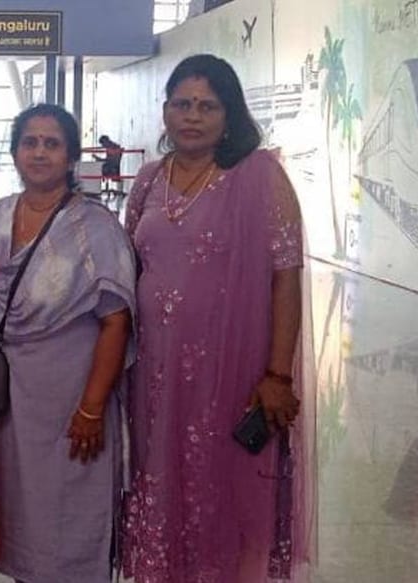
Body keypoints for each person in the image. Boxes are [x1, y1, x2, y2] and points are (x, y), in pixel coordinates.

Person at [121, 54, 313, 582]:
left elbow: (285, 278)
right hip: (154, 376)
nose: (193, 116)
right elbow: (128, 265)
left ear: (230, 114)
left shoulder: (260, 177)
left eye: (207, 106)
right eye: (182, 104)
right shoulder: (149, 181)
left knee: (220, 482)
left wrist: (277, 375)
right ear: (165, 111)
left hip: (231, 373)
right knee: (159, 473)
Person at [0, 104, 136, 582]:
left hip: (73, 403)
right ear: (15, 152)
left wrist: (91, 408)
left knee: (69, 523)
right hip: (12, 404)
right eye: (30, 142)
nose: (39, 153)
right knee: (25, 519)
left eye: (52, 143)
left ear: (69, 157)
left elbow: (115, 322)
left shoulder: (95, 228)